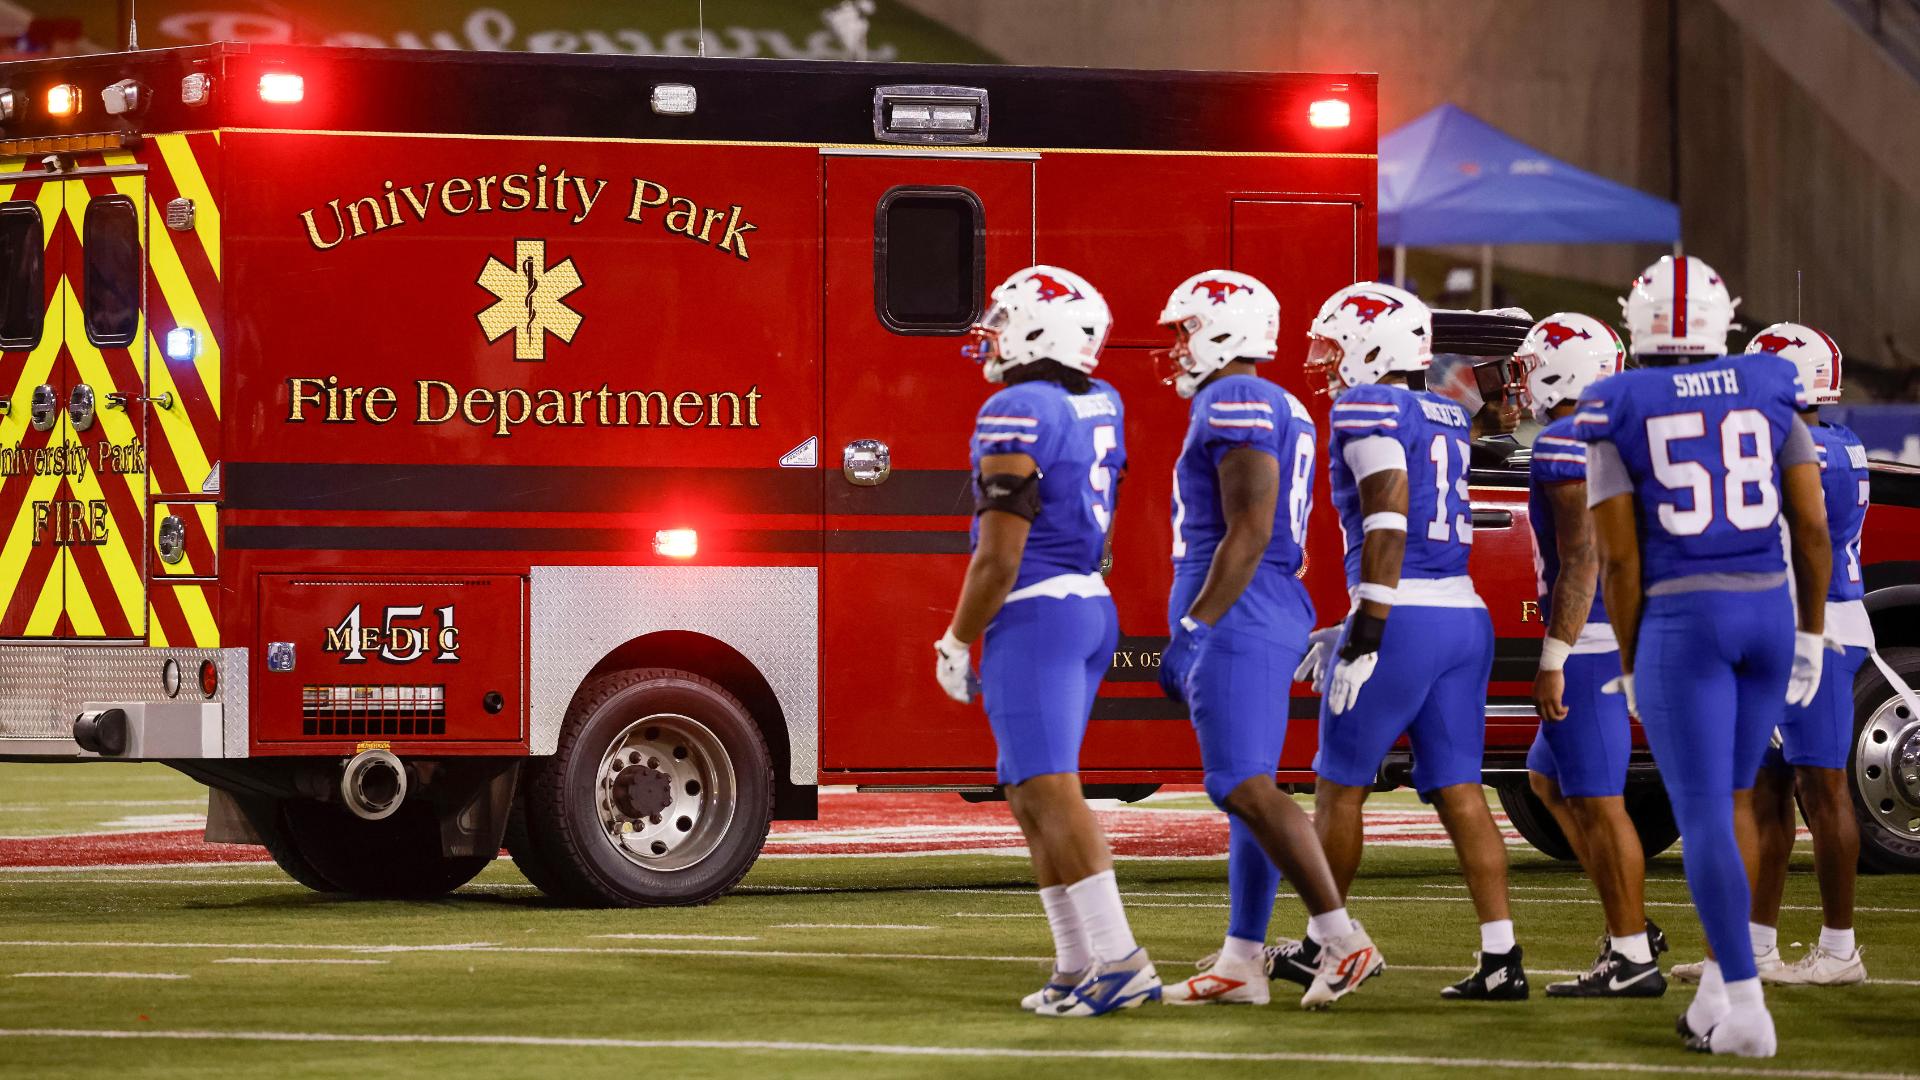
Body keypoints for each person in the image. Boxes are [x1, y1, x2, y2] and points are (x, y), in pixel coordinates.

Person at [1573, 256, 1832, 1057]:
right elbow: (1813, 529)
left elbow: (1618, 562)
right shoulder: (1769, 385)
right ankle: (1721, 989)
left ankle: (1749, 1012)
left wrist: (1628, 657)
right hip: (1768, 608)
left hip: (1687, 620)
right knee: (1742, 795)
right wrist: (1813, 632)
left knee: (1708, 814)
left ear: (1636, 322)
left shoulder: (1616, 404)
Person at [931, 264, 1160, 1018]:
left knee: (1054, 791)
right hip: (1086, 604)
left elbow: (998, 556)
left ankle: (1121, 960)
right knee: (1029, 791)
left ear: (1041, 328)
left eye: (1004, 316)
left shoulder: (1017, 408)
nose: (990, 330)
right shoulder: (1101, 399)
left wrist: (959, 637)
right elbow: (1109, 512)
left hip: (1038, 610)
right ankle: (1074, 964)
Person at [1149, 270, 1380, 1011]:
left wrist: (1195, 625)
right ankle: (1242, 959)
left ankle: (1342, 939)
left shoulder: (1235, 396)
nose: (1177, 344)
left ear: (1223, 330)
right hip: (1262, 597)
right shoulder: (1276, 400)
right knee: (1249, 786)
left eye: (1187, 328)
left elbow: (1248, 530)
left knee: (1239, 784)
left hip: (1241, 602)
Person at [1292, 281, 1526, 1001]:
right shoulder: (1443, 411)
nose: (1328, 362)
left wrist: (1367, 624)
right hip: (1462, 614)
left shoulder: (1370, 405)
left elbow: (1388, 519)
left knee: (1340, 788)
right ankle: (1501, 956)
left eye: (1336, 344)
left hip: (1404, 618)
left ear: (1374, 344)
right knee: (1461, 790)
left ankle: (1327, 946)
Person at [1671, 323, 1870, 988]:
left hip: (1813, 625)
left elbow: (1803, 539)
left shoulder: (1804, 449)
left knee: (1823, 787)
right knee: (1768, 789)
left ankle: (1840, 948)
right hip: (1806, 621)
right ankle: (1754, 947)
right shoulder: (1837, 443)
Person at [1513, 313, 1670, 998]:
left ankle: (1632, 955)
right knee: (1546, 781)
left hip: (1592, 641)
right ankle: (1629, 922)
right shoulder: (1617, 431)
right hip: (1618, 632)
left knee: (1603, 803)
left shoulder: (1563, 441)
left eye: (1534, 362)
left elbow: (1582, 558)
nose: (1523, 378)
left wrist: (1554, 653)